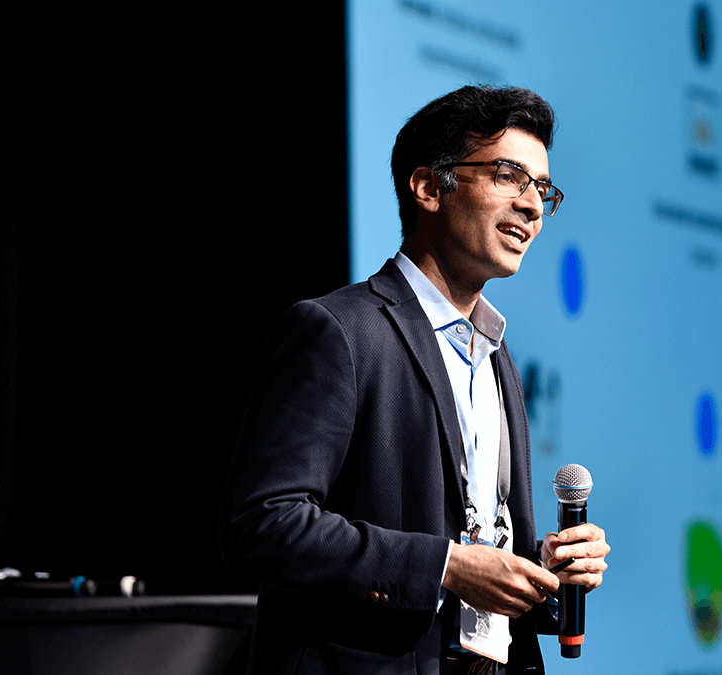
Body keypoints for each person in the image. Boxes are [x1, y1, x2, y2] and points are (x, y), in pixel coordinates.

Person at [220, 85, 610, 675]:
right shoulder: (338, 331)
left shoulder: (497, 357)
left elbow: (475, 530)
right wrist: (446, 567)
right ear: (429, 188)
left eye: (542, 189)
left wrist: (544, 572)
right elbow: (263, 522)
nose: (532, 206)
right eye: (509, 175)